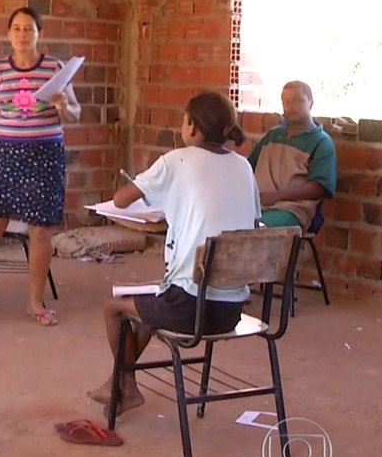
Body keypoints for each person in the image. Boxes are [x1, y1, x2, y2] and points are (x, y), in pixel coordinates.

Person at [87, 91, 261, 415]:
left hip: (190, 309)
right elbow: (251, 223)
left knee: (115, 307)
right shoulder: (244, 167)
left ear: (192, 127)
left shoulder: (177, 160)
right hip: (230, 309)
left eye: (184, 119)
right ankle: (121, 384)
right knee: (150, 306)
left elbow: (122, 199)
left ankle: (125, 386)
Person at [0, 7, 82, 327]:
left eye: (29, 29)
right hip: (7, 154)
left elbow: (75, 113)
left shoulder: (55, 69)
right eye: (17, 29)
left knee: (40, 230)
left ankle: (34, 302)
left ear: (39, 34)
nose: (22, 35)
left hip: (45, 155)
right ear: (8, 34)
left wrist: (63, 106)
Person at [249, 80, 337, 230]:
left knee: (257, 229)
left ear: (311, 102)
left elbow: (319, 187)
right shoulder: (271, 137)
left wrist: (277, 196)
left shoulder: (321, 142)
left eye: (297, 100)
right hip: (257, 205)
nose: (290, 106)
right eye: (286, 101)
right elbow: (249, 167)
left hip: (292, 210)